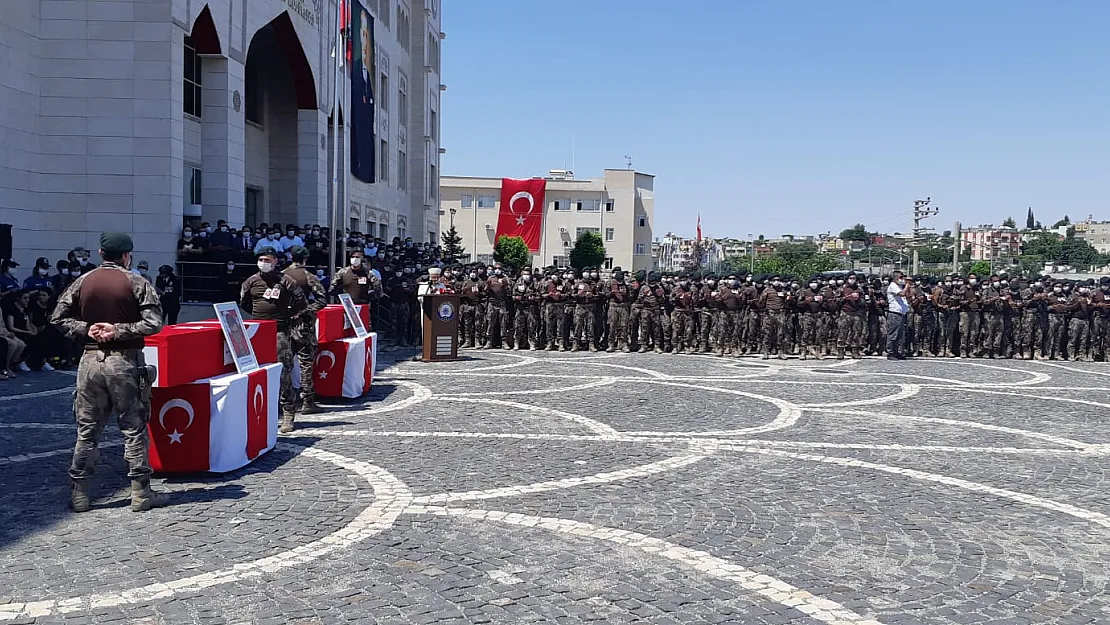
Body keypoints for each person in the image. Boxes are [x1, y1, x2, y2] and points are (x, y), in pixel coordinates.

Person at [50, 232, 168, 513]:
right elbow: (154, 323)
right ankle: (141, 493)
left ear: (101, 253)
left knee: (87, 430)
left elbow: (58, 318)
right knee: (134, 427)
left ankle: (80, 493)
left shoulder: (82, 281)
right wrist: (119, 330)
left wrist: (85, 329)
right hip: (124, 360)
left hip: (90, 360)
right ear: (127, 255)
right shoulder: (137, 282)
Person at [239, 247, 308, 433]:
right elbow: (243, 302)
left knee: (283, 371)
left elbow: (301, 302)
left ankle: (288, 412)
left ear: (275, 261)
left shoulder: (286, 281)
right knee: (255, 371)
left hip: (280, 331)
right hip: (257, 332)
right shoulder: (251, 282)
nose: (263, 262)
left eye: (267, 259)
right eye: (261, 259)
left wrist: (291, 314)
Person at [283, 246, 326, 415]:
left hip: (284, 325)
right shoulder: (309, 276)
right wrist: (305, 311)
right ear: (305, 259)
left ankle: (286, 401)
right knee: (306, 362)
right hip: (303, 326)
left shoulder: (281, 275)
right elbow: (322, 300)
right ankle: (308, 401)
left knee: (285, 364)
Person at [885, 271, 909, 360]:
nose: (902, 279)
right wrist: (907, 285)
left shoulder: (899, 287)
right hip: (894, 314)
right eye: (901, 277)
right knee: (893, 334)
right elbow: (902, 294)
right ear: (895, 278)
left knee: (900, 335)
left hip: (901, 314)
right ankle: (890, 352)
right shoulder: (893, 286)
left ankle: (897, 352)